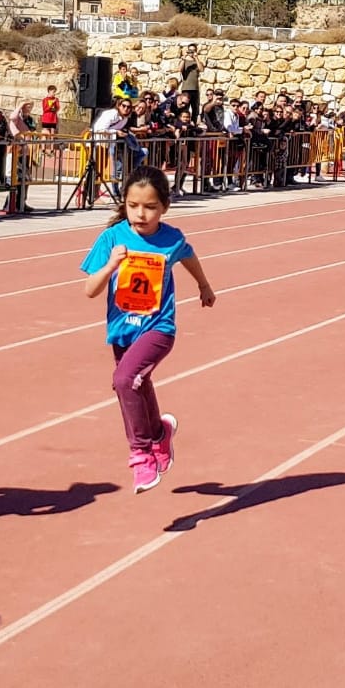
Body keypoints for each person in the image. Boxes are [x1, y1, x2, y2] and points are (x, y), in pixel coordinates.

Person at [80, 165, 216, 494]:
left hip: (158, 328)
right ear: (124, 204)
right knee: (138, 384)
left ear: (164, 207)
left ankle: (141, 454)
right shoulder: (112, 238)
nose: (141, 214)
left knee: (124, 380)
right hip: (122, 329)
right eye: (133, 206)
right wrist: (112, 265)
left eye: (150, 207)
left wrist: (204, 285)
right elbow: (90, 289)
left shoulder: (171, 238)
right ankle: (159, 435)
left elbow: (188, 255)